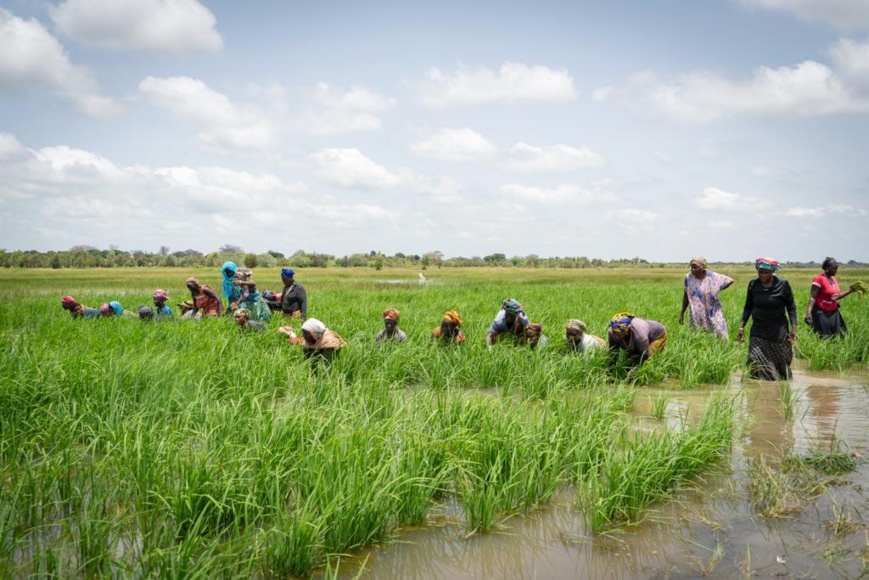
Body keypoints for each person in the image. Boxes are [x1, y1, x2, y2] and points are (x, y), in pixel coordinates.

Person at [737, 257, 797, 381]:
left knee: (781, 362)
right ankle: (758, 390)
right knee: (754, 358)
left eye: (766, 272)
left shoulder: (783, 285)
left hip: (778, 331)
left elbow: (791, 308)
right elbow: (748, 307)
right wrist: (741, 326)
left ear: (773, 271)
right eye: (760, 272)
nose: (763, 275)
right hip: (758, 330)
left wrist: (793, 329)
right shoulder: (753, 285)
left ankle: (779, 387)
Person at [679, 256, 734, 339]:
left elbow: (729, 280)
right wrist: (682, 312)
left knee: (718, 332)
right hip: (697, 314)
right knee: (699, 335)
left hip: (713, 311)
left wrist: (717, 289)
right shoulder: (688, 277)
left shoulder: (712, 277)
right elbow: (686, 296)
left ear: (702, 267)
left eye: (695, 267)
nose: (692, 269)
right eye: (692, 267)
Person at [805, 257, 857, 338]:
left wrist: (850, 290)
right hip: (821, 312)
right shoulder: (819, 279)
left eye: (836, 269)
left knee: (838, 335)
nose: (836, 271)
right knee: (824, 336)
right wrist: (808, 313)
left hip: (833, 312)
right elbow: (813, 297)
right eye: (834, 269)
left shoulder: (833, 280)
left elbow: (836, 297)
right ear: (826, 268)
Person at [280, 318, 345, 362]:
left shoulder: (329, 343)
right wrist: (290, 333)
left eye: (305, 332)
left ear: (314, 332)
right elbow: (301, 340)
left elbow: (324, 365)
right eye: (303, 332)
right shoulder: (314, 337)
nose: (304, 335)